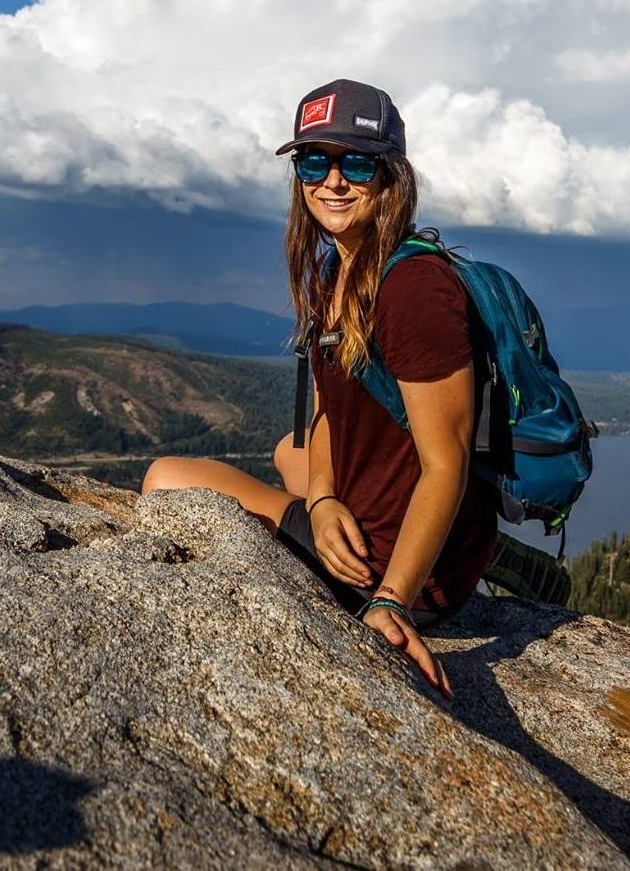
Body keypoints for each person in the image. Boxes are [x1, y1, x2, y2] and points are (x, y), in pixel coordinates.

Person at [142, 78, 498, 699]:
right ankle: (350, 518)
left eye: (356, 162)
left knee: (164, 477)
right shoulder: (345, 268)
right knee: (289, 449)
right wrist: (326, 498)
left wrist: (393, 602)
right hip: (369, 518)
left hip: (385, 566)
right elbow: (331, 413)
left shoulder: (413, 289)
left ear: (392, 177)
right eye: (314, 161)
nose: (333, 181)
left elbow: (449, 462)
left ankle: (417, 566)